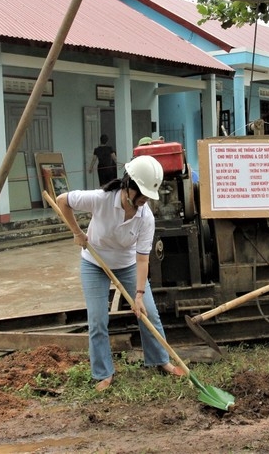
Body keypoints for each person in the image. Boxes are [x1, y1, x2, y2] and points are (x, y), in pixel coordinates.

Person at [57, 155, 184, 391]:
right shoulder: (101, 199)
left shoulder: (146, 217)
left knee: (149, 313)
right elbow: (62, 200)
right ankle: (103, 373)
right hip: (94, 264)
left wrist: (138, 294)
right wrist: (77, 232)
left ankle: (161, 360)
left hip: (128, 265)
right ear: (128, 187)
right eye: (143, 194)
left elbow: (143, 258)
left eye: (148, 195)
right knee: (97, 320)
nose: (145, 200)